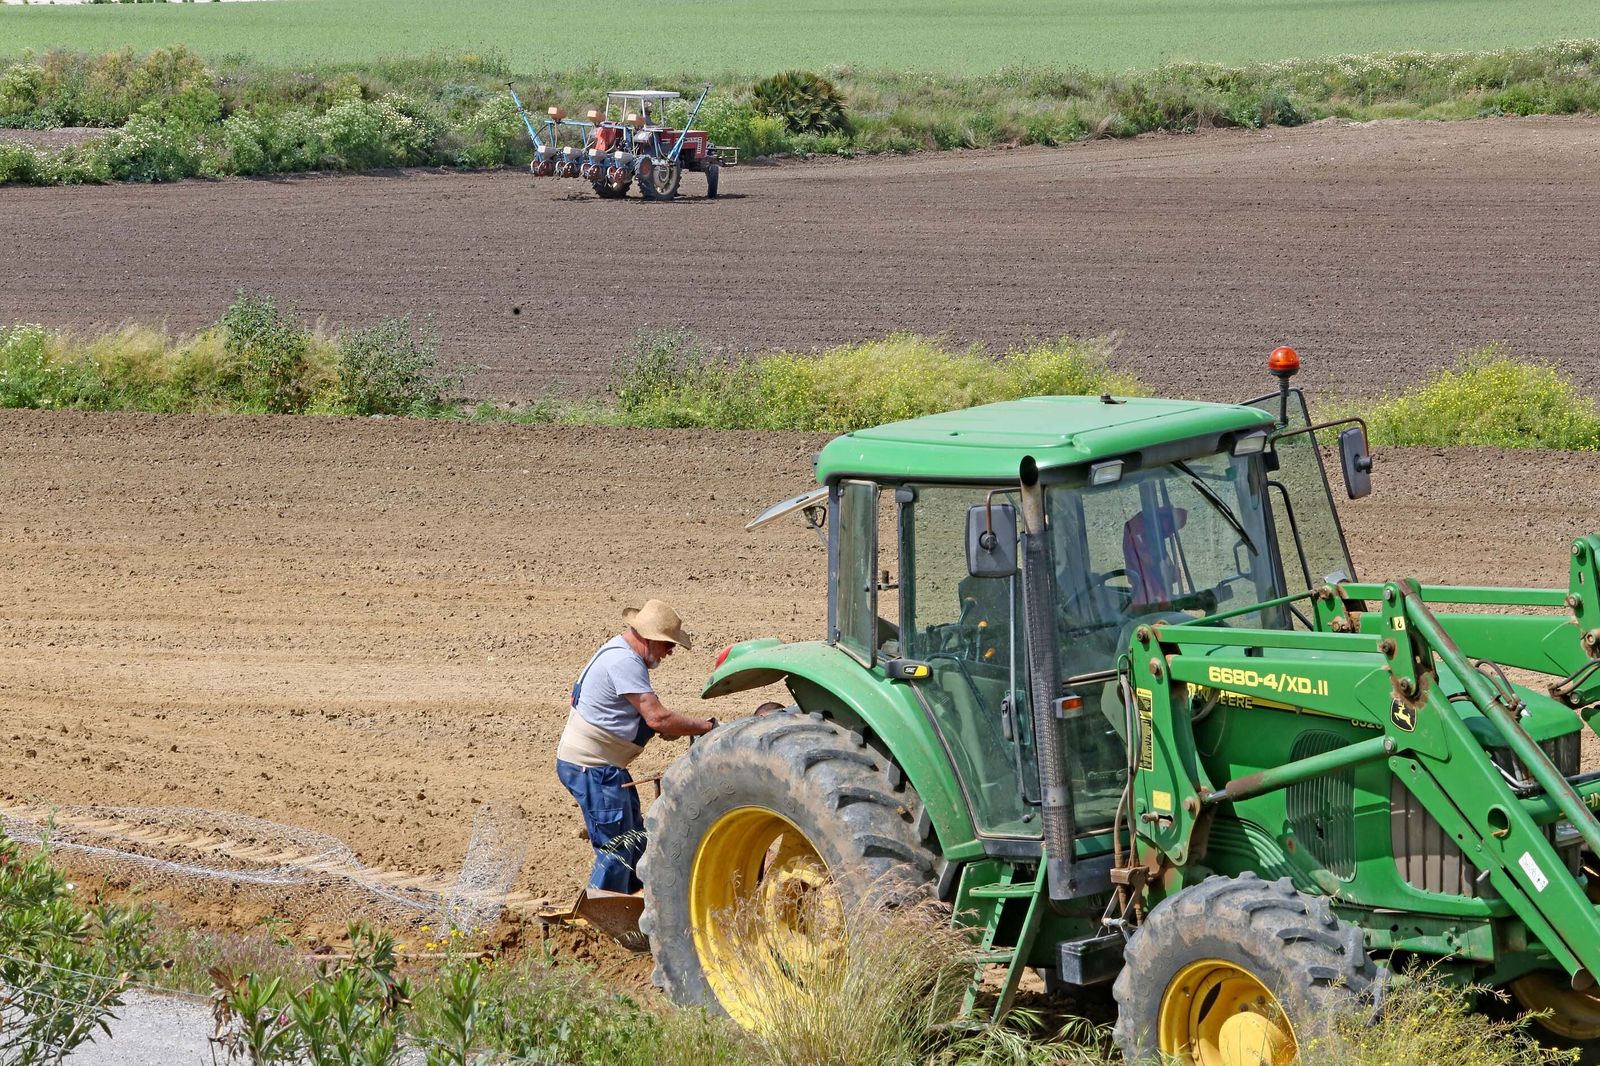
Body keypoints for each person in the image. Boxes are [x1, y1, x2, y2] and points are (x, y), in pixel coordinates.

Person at [556, 599, 716, 893]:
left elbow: (635, 717)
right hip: (593, 768)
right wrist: (704, 727)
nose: (670, 653)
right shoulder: (624, 661)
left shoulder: (618, 652)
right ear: (651, 638)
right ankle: (605, 918)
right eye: (669, 645)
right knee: (617, 850)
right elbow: (656, 717)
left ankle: (629, 911)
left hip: (604, 767)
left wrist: (663, 728)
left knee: (635, 842)